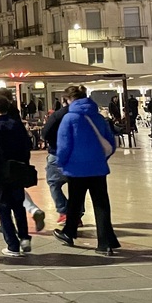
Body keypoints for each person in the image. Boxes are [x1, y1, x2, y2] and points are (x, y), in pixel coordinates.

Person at [52, 85, 120, 256]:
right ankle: (105, 243)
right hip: (98, 168)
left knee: (75, 202)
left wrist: (61, 162)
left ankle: (69, 233)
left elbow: (64, 145)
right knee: (101, 205)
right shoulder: (98, 117)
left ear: (69, 100)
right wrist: (100, 159)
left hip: (76, 169)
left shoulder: (69, 118)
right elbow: (111, 143)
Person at [0, 94, 34, 257]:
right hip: (17, 170)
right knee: (19, 205)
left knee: (3, 208)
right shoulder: (17, 125)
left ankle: (12, 244)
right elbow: (27, 147)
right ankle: (24, 237)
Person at [42, 89, 84, 227]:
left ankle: (64, 211)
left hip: (57, 153)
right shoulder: (88, 113)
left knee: (54, 183)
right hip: (80, 155)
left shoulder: (59, 115)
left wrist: (54, 142)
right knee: (77, 186)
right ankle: (77, 214)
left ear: (65, 100)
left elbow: (45, 133)